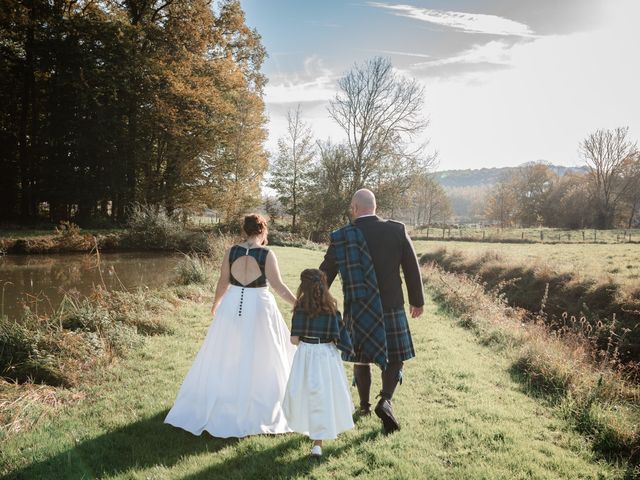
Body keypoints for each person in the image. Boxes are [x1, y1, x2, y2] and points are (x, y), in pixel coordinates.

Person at [165, 214, 297, 437]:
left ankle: (227, 396)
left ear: (245, 231)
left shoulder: (231, 251)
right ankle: (259, 399)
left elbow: (223, 282)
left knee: (227, 351)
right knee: (263, 353)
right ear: (263, 231)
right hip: (259, 306)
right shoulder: (266, 254)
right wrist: (298, 303)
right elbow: (278, 286)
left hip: (232, 302)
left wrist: (216, 304)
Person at [320, 189, 424, 434]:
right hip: (391, 304)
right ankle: (385, 400)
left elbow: (325, 272)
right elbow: (411, 266)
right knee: (396, 355)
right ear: (374, 207)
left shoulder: (342, 236)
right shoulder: (396, 230)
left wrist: (316, 298)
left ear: (355, 208)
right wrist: (416, 300)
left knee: (360, 355)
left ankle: (365, 406)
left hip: (358, 306)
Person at [283, 269, 355, 457]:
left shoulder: (299, 309)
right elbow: (339, 339)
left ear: (303, 287)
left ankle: (315, 438)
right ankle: (317, 441)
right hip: (326, 356)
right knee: (322, 396)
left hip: (306, 354)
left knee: (306, 393)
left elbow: (294, 340)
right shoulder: (332, 310)